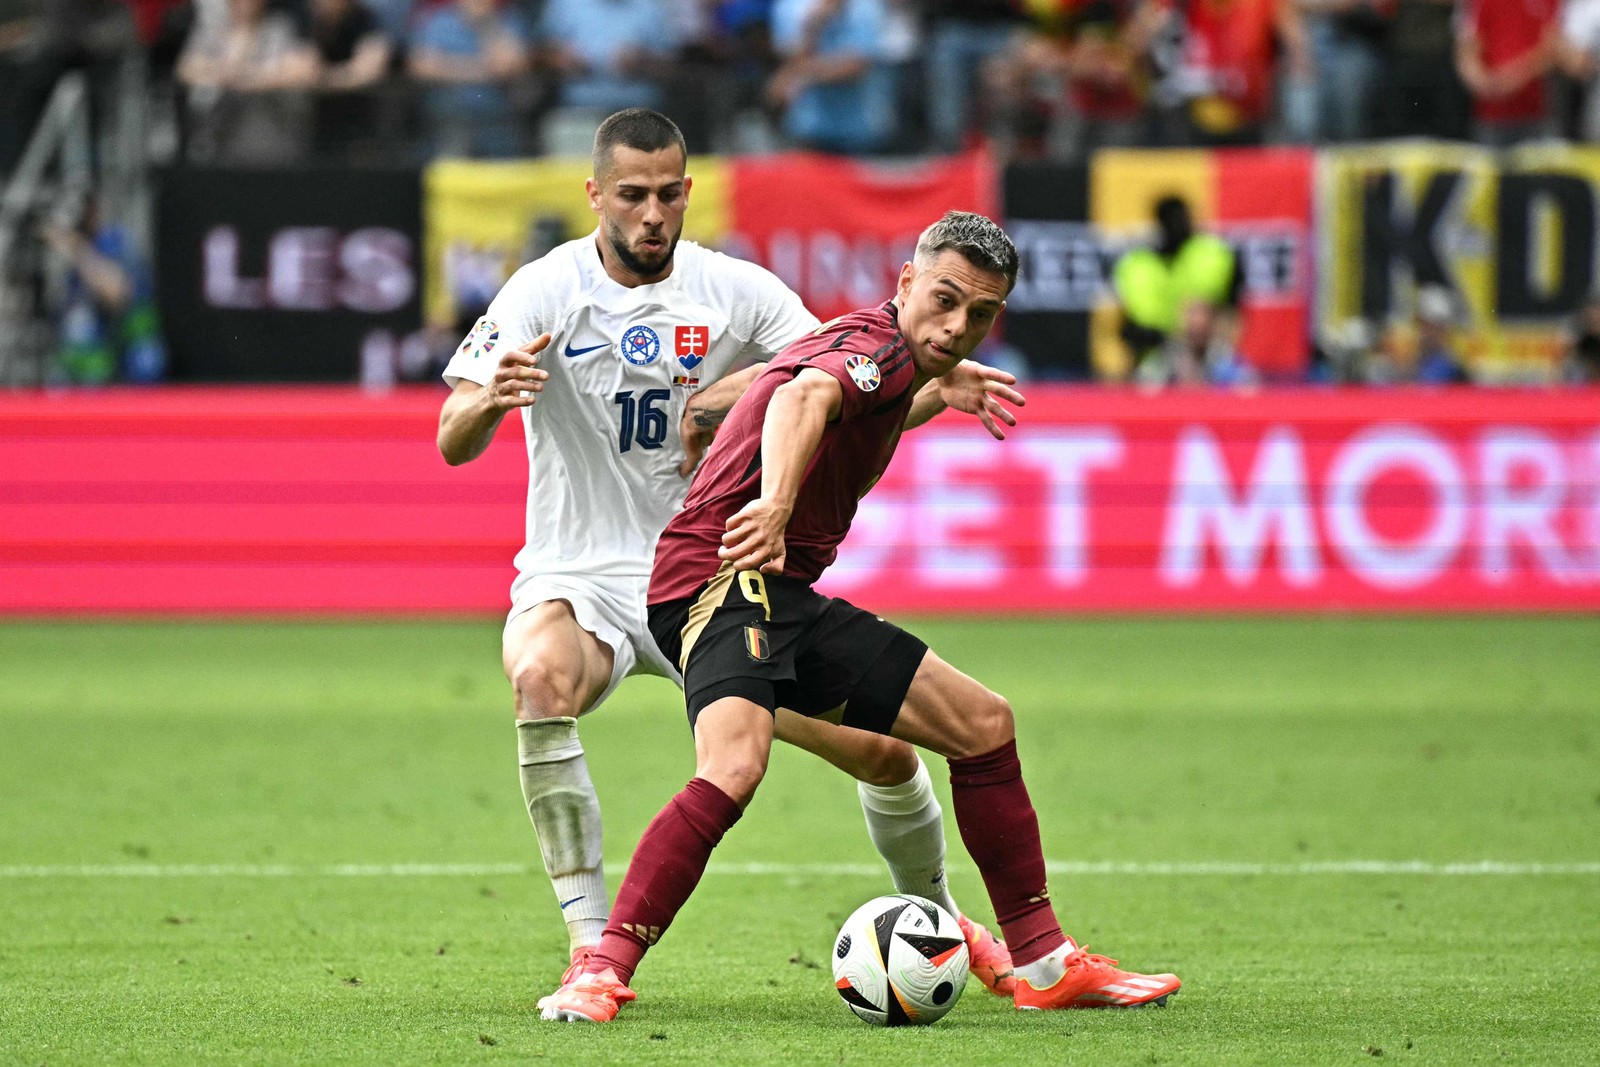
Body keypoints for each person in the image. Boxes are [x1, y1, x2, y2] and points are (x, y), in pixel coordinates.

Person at [536, 210, 1182, 1023]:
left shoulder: (891, 359)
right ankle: (599, 967)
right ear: (906, 281)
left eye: (980, 315)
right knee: (735, 763)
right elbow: (802, 396)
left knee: (982, 723)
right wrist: (772, 503)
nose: (958, 326)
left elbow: (823, 402)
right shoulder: (871, 350)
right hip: (723, 575)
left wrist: (936, 391)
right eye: (945, 300)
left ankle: (1045, 961)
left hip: (780, 593)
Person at [435, 109, 1025, 999]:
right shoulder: (541, 292)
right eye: (631, 196)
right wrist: (490, 401)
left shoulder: (737, 293)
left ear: (686, 191)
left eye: (669, 194)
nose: (652, 214)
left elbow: (835, 388)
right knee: (539, 680)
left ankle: (947, 925)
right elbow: (450, 437)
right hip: (579, 577)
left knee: (888, 756)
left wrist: (934, 385)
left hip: (718, 576)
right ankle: (591, 942)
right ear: (595, 194)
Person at [1112, 193, 1242, 381]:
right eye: (1172, 221)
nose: (1178, 226)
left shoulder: (1213, 255)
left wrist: (1215, 343)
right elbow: (1125, 328)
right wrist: (1165, 342)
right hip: (1160, 353)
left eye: (1182, 220)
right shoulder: (1138, 265)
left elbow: (1233, 312)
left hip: (1211, 350)